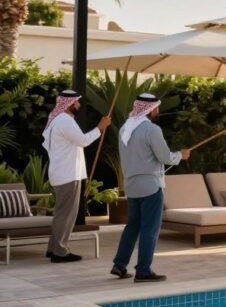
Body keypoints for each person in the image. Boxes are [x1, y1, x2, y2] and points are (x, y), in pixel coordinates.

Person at [111, 93, 190, 282]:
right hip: (150, 186)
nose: (158, 110)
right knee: (150, 229)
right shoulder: (152, 130)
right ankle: (143, 270)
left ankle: (119, 264)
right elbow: (165, 157)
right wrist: (181, 155)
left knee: (133, 226)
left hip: (131, 186)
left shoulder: (124, 128)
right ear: (151, 109)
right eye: (157, 107)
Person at [41, 90, 111, 263]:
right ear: (70, 103)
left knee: (61, 214)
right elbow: (83, 141)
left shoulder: (59, 119)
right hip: (67, 174)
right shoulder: (64, 120)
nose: (79, 104)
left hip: (63, 173)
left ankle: (54, 249)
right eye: (78, 102)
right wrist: (100, 127)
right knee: (66, 214)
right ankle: (60, 252)